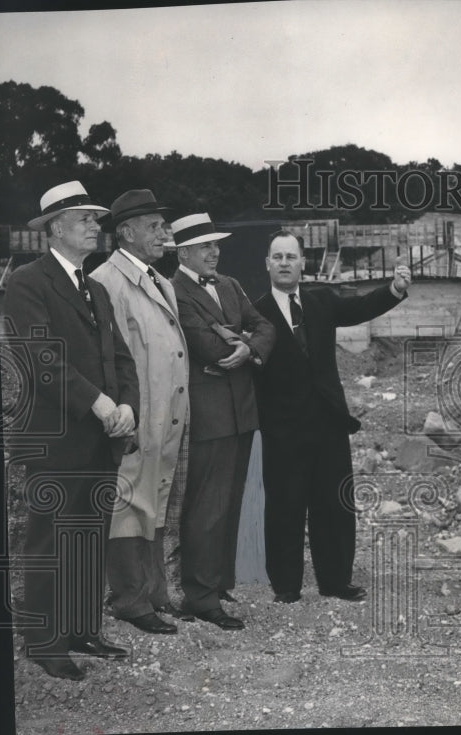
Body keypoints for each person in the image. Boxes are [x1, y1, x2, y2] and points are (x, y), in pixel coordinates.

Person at [4, 181, 139, 680]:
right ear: (56, 228)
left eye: (95, 219)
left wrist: (128, 406)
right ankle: (45, 642)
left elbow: (120, 358)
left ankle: (82, 629)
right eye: (84, 218)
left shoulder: (96, 288)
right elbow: (42, 359)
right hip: (57, 438)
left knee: (87, 536)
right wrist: (100, 403)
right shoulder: (27, 283)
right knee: (51, 540)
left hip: (101, 436)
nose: (94, 226)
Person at [253, 230, 410, 603]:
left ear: (303, 262)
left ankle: (336, 581)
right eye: (278, 257)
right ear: (268, 264)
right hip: (282, 431)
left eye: (291, 256)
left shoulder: (321, 300)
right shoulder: (255, 312)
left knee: (334, 507)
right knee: (284, 507)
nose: (285, 263)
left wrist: (395, 289)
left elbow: (360, 308)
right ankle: (287, 587)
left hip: (328, 425)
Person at [89, 189, 189, 635]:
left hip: (165, 411)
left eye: (163, 226)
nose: (163, 234)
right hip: (138, 414)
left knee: (156, 496)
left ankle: (154, 592)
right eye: (154, 226)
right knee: (129, 499)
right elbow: (109, 357)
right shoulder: (109, 280)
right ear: (126, 233)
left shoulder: (160, 280)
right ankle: (129, 599)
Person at [170, 213, 274, 629]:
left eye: (216, 245)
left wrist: (248, 348)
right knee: (206, 509)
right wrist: (243, 341)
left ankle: (218, 582)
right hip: (209, 415)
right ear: (183, 253)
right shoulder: (173, 291)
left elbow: (264, 325)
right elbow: (209, 346)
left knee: (230, 504)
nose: (215, 252)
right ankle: (200, 597)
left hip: (241, 412)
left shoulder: (229, 285)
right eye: (205, 247)